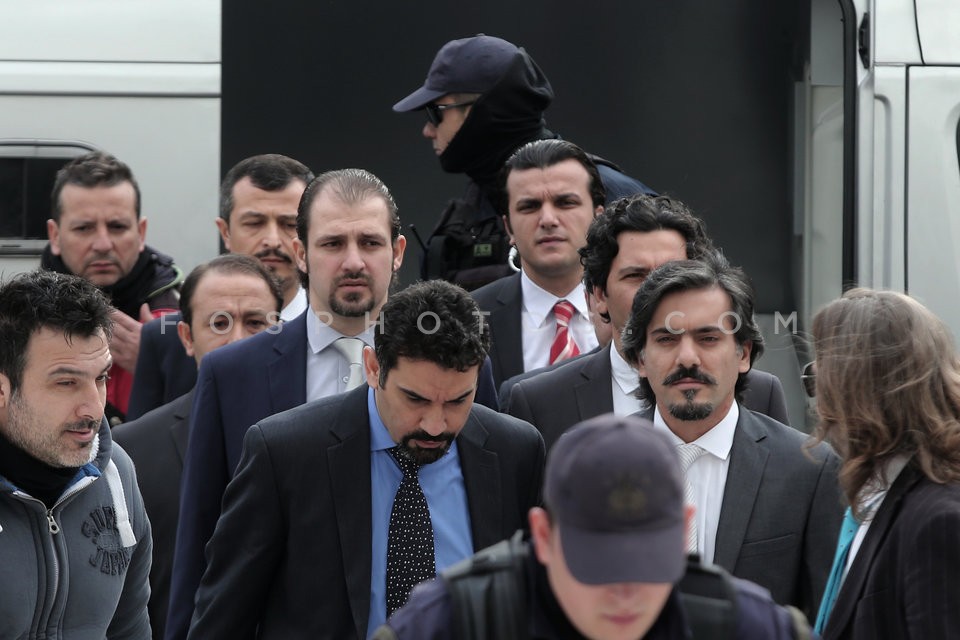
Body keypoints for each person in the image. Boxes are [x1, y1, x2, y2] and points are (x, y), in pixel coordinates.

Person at [165, 169, 498, 640]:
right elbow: (202, 541)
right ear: (300, 253)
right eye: (332, 244)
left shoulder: (462, 363)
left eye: (370, 242)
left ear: (398, 251)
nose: (353, 261)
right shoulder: (232, 373)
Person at [185, 279, 545, 639]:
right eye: (415, 399)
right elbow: (222, 620)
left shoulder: (515, 451)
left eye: (457, 401)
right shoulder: (285, 453)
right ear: (373, 367)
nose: (435, 426)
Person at [375, 414, 813, 639]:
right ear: (543, 538)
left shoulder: (747, 629)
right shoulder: (451, 626)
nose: (624, 590)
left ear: (684, 534)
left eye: (646, 561)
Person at [619, 253, 841, 618]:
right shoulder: (596, 463)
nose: (687, 357)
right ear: (640, 360)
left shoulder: (808, 470)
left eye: (708, 338)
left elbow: (824, 620)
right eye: (666, 339)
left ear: (743, 354)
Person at [505, 193, 789, 450]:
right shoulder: (538, 401)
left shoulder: (760, 393)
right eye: (636, 276)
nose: (656, 289)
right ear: (599, 295)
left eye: (672, 273)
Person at [393, 34, 654, 290]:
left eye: (435, 113)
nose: (428, 130)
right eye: (528, 207)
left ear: (482, 112)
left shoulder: (619, 200)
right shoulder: (458, 226)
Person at [112, 254, 283, 640]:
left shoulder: (318, 437)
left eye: (255, 323)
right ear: (187, 338)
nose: (238, 340)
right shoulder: (131, 450)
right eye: (219, 323)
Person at [0, 270, 151, 639]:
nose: (93, 408)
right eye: (66, 382)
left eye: (100, 378)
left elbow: (130, 629)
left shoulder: (117, 473)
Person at [809, 289, 960, 639]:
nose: (818, 408)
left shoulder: (938, 521)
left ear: (852, 390)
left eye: (817, 383)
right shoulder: (882, 500)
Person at [126, 153, 315, 420]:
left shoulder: (334, 336)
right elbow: (143, 447)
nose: (272, 240)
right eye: (255, 223)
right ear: (225, 231)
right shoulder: (164, 340)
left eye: (288, 225)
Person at [42, 150, 183, 423]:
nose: (103, 244)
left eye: (117, 227)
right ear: (55, 235)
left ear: (140, 233)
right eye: (84, 228)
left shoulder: (184, 314)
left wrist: (165, 366)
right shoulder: (16, 320)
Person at [472, 139, 604, 387]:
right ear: (508, 226)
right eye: (530, 206)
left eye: (565, 203)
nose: (548, 219)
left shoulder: (635, 310)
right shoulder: (468, 317)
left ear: (599, 218)